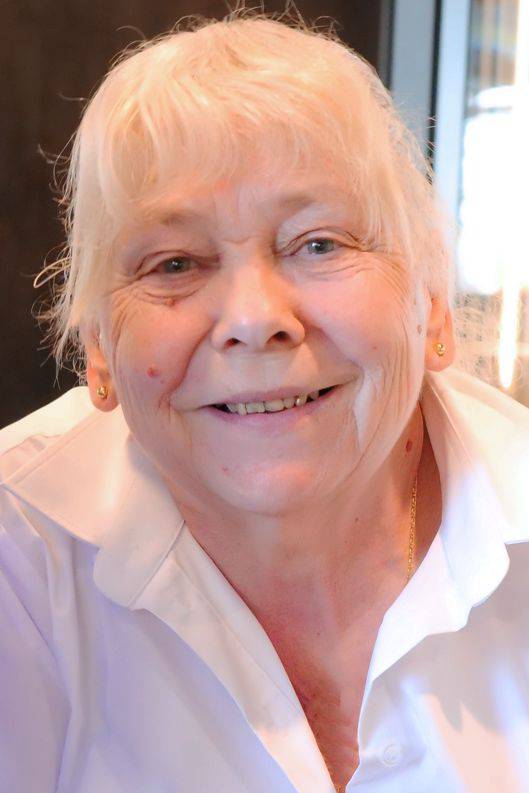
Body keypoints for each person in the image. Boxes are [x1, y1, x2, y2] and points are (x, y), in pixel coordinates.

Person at [1, 10, 528, 793]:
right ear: (99, 347)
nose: (253, 319)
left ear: (431, 301)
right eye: (174, 263)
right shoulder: (19, 555)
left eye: (318, 243)